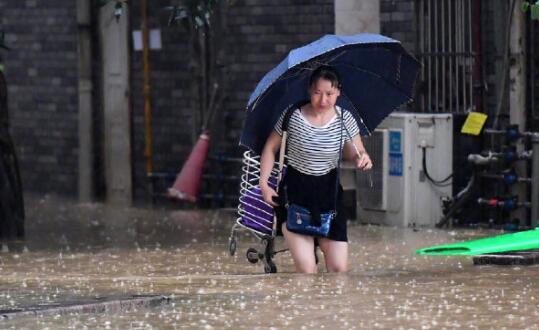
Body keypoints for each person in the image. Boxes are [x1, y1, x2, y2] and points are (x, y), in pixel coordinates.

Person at [259, 65, 372, 274]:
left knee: (338, 271)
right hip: (295, 194)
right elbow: (270, 147)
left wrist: (362, 158)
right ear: (310, 90)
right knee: (307, 271)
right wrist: (264, 184)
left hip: (329, 196)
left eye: (329, 94)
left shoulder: (345, 119)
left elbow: (355, 151)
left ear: (338, 91)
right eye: (318, 93)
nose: (323, 101)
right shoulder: (292, 115)